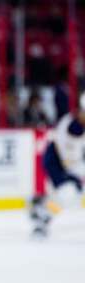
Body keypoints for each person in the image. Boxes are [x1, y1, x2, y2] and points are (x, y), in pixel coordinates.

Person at [30, 92, 85, 237]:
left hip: (67, 162)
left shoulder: (76, 123)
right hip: (56, 161)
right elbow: (71, 164)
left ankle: (39, 203)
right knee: (68, 192)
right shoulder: (71, 129)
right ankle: (42, 219)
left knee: (72, 192)